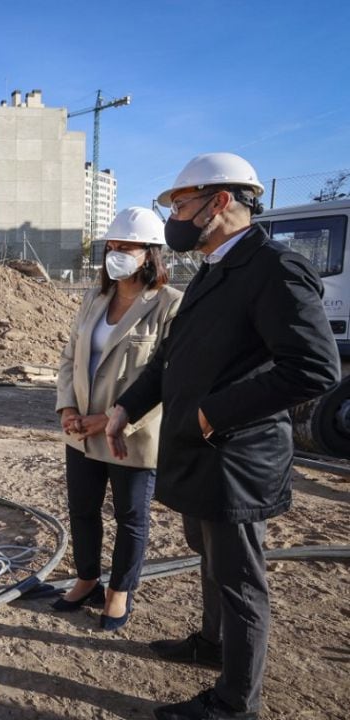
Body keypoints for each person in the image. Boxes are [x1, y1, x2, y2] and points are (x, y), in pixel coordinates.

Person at [105, 153, 341, 720]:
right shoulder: (214, 269)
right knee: (207, 557)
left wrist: (213, 415)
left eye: (181, 205)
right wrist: (126, 407)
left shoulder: (274, 269)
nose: (174, 218)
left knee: (239, 580)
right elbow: (171, 359)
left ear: (220, 202)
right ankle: (211, 646)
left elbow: (314, 368)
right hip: (199, 451)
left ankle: (237, 703)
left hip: (236, 456)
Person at [54, 207, 182, 631]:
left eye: (125, 246)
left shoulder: (169, 305)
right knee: (82, 509)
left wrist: (113, 419)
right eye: (111, 245)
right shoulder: (95, 297)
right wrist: (68, 407)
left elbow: (168, 378)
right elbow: (71, 356)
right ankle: (88, 578)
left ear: (149, 253)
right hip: (82, 431)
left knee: (130, 516)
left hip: (130, 434)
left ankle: (120, 591)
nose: (115, 253)